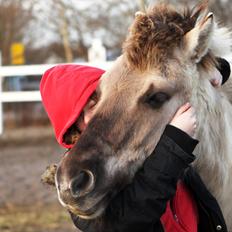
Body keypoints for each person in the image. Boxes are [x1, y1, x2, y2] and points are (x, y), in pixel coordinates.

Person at [40, 58, 230, 232]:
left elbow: (166, 85)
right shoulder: (79, 179)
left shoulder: (135, 131)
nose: (108, 107)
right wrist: (175, 142)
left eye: (107, 98)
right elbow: (125, 221)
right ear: (73, 124)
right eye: (92, 105)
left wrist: (213, 68)